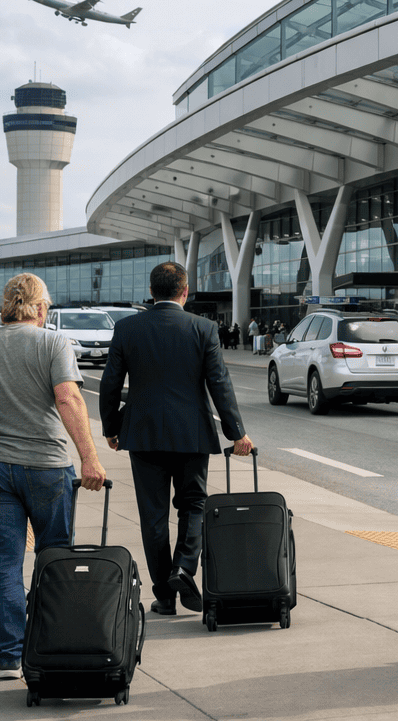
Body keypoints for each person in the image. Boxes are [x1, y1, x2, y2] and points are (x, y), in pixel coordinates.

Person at [0, 273, 107, 681]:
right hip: (49, 469)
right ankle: (51, 643)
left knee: (2, 564)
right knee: (54, 558)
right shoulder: (54, 343)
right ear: (39, 307)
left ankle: (8, 657)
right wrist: (90, 458)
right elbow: (69, 399)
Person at [99, 262, 254, 617]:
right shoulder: (204, 329)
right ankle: (184, 567)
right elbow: (220, 385)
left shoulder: (126, 329)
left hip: (143, 434)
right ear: (185, 291)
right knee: (194, 505)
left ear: (151, 292)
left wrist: (111, 428)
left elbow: (110, 383)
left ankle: (164, 597)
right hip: (193, 434)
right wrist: (237, 433)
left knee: (152, 518)